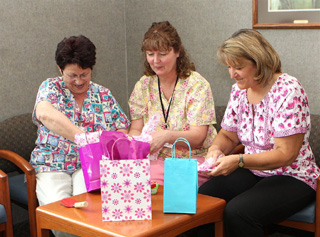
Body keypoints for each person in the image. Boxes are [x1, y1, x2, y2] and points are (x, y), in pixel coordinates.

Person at [198, 29, 320, 236]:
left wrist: (238, 161)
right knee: (203, 200)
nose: (231, 73)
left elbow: (285, 154)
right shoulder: (239, 90)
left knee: (239, 213)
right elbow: (228, 135)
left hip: (292, 176)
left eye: (238, 67)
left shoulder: (288, 90)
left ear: (260, 63)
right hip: (254, 170)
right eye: (228, 66)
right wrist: (216, 149)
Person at [30, 35, 129, 225]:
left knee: (90, 212)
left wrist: (112, 145)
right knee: (57, 214)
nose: (78, 81)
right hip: (52, 165)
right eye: (72, 75)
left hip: (89, 167)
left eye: (84, 74)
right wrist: (85, 138)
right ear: (60, 70)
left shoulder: (103, 95)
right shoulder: (51, 87)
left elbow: (122, 128)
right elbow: (44, 113)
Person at [128, 21, 217, 186]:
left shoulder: (196, 84)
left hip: (191, 161)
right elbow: (136, 128)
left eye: (162, 54)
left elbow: (198, 137)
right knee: (127, 184)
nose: (155, 61)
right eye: (150, 54)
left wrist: (167, 136)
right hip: (154, 160)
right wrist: (133, 143)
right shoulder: (143, 85)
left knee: (155, 190)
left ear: (178, 52)